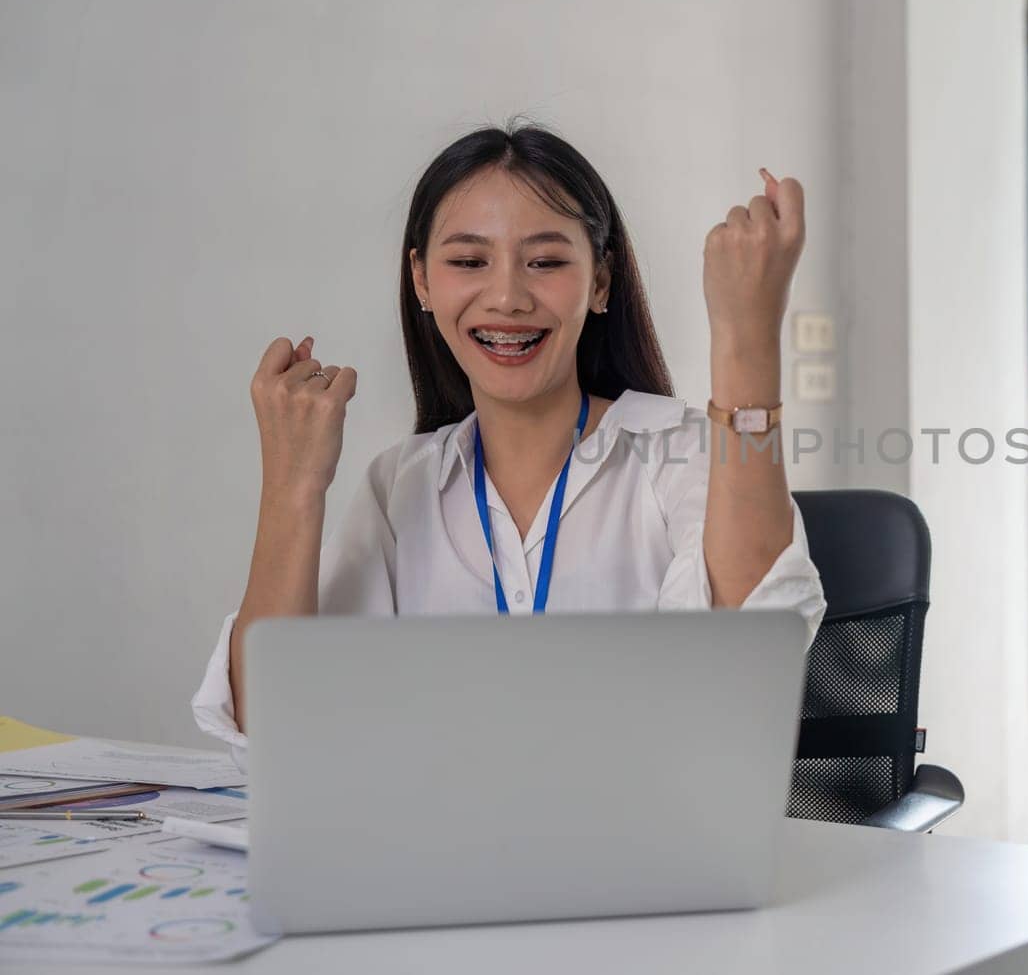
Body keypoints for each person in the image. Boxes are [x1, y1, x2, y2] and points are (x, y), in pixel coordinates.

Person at [191, 123, 826, 768]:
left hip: (636, 858)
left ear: (600, 281)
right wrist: (293, 487)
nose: (507, 298)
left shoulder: (680, 452)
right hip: (438, 858)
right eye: (468, 262)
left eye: (546, 262)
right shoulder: (400, 486)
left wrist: (746, 334)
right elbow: (274, 732)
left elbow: (754, 651)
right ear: (423, 283)